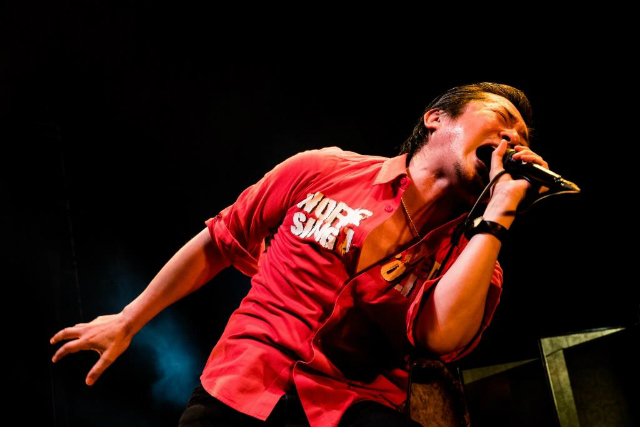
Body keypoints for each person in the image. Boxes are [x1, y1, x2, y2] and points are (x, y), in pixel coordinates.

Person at [50, 83, 548, 427]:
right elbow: (220, 240)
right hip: (240, 384)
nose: (513, 139)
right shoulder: (322, 169)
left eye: (522, 139)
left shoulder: (476, 257)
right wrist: (129, 319)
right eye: (503, 121)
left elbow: (439, 338)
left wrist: (499, 212)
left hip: (353, 405)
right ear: (436, 117)